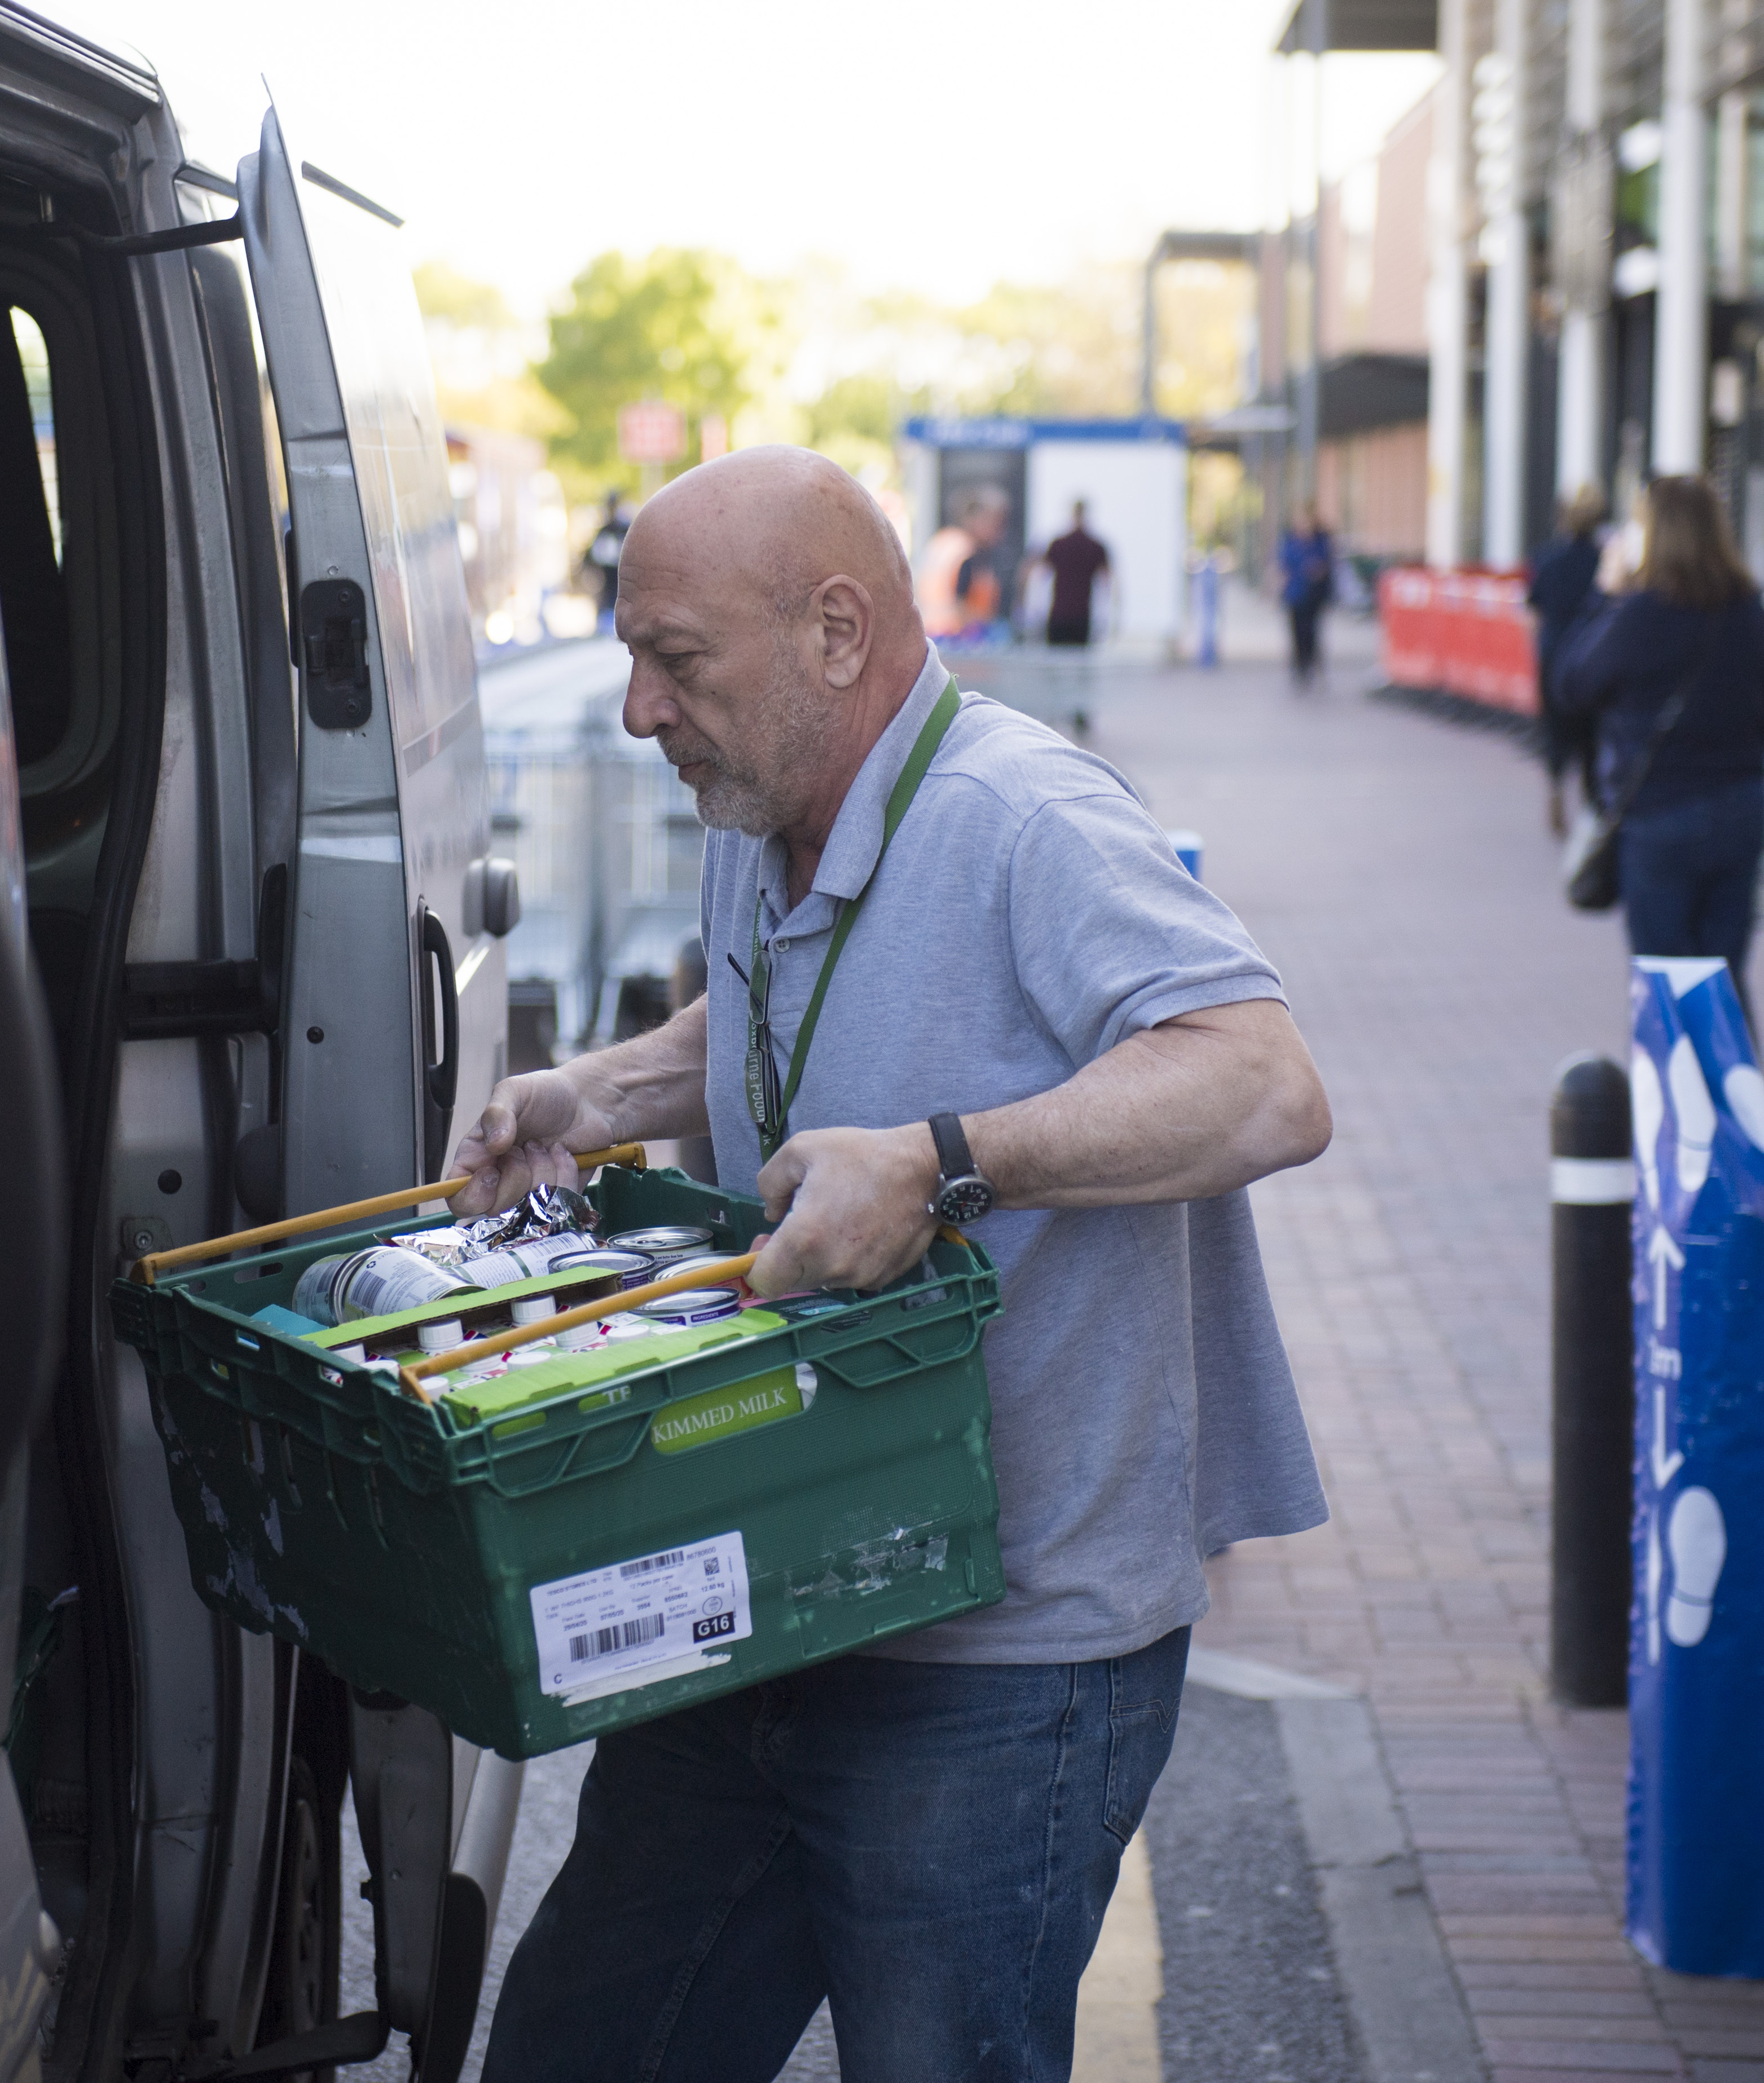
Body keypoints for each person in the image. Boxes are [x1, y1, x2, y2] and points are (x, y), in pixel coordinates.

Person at [452, 445, 1334, 2082]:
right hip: (778, 1585)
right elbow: (768, 1004)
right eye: (632, 653)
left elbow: (1264, 1079)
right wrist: (606, 1090)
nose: (637, 708)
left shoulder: (1026, 815)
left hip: (1003, 1658)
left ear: (838, 635)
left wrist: (942, 1163)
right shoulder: (766, 793)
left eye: (677, 660)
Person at [1551, 475, 1764, 988]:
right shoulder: (1749, 610)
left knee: (1665, 980)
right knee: (1723, 978)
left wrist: (1602, 595)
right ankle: (1730, 1069)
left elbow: (1571, 684)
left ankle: (1671, 1070)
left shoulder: (1642, 614)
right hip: (1741, 808)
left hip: (1661, 814)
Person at [1526, 483, 1609, 835]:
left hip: (1554, 655)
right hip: (1594, 657)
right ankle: (1593, 807)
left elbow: (1535, 610)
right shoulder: (1606, 561)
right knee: (1592, 735)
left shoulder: (1547, 559)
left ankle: (1556, 786)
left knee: (1555, 730)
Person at [917, 484, 1009, 639]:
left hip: (930, 634)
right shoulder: (966, 553)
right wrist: (986, 623)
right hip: (957, 639)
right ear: (979, 519)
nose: (1000, 533)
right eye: (997, 524)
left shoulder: (944, 542)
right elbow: (959, 604)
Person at [1028, 497, 1112, 647]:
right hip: (1081, 616)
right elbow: (1107, 581)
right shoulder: (1095, 546)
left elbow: (1041, 576)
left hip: (1061, 614)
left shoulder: (1059, 544)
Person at [1278, 505, 1337, 690]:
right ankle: (1300, 668)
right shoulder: (1290, 541)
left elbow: (1327, 565)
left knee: (1312, 632)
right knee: (1297, 632)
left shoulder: (1321, 542)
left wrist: (1318, 570)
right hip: (1295, 594)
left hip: (1314, 595)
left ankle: (1313, 664)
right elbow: (1283, 566)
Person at [586, 489, 632, 632]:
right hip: (607, 591)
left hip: (622, 592)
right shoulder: (605, 531)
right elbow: (592, 558)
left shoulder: (625, 530)